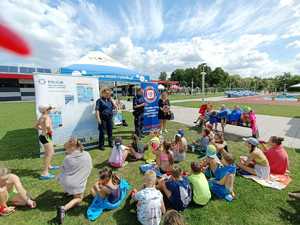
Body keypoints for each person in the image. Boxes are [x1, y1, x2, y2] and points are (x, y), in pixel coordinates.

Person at [56, 138, 92, 224]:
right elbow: (90, 167)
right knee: (79, 198)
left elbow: (63, 169)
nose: (66, 151)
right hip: (75, 184)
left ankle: (68, 192)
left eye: (66, 149)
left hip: (65, 182)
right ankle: (63, 209)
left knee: (67, 178)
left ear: (72, 148)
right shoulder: (87, 154)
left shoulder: (67, 158)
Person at [35, 105, 59, 180]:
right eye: (49, 109)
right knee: (50, 153)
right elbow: (48, 126)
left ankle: (49, 166)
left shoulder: (42, 116)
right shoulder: (47, 117)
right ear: (45, 110)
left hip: (43, 136)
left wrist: (43, 129)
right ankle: (45, 173)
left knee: (47, 153)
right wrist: (49, 132)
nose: (50, 110)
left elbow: (35, 126)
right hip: (46, 136)